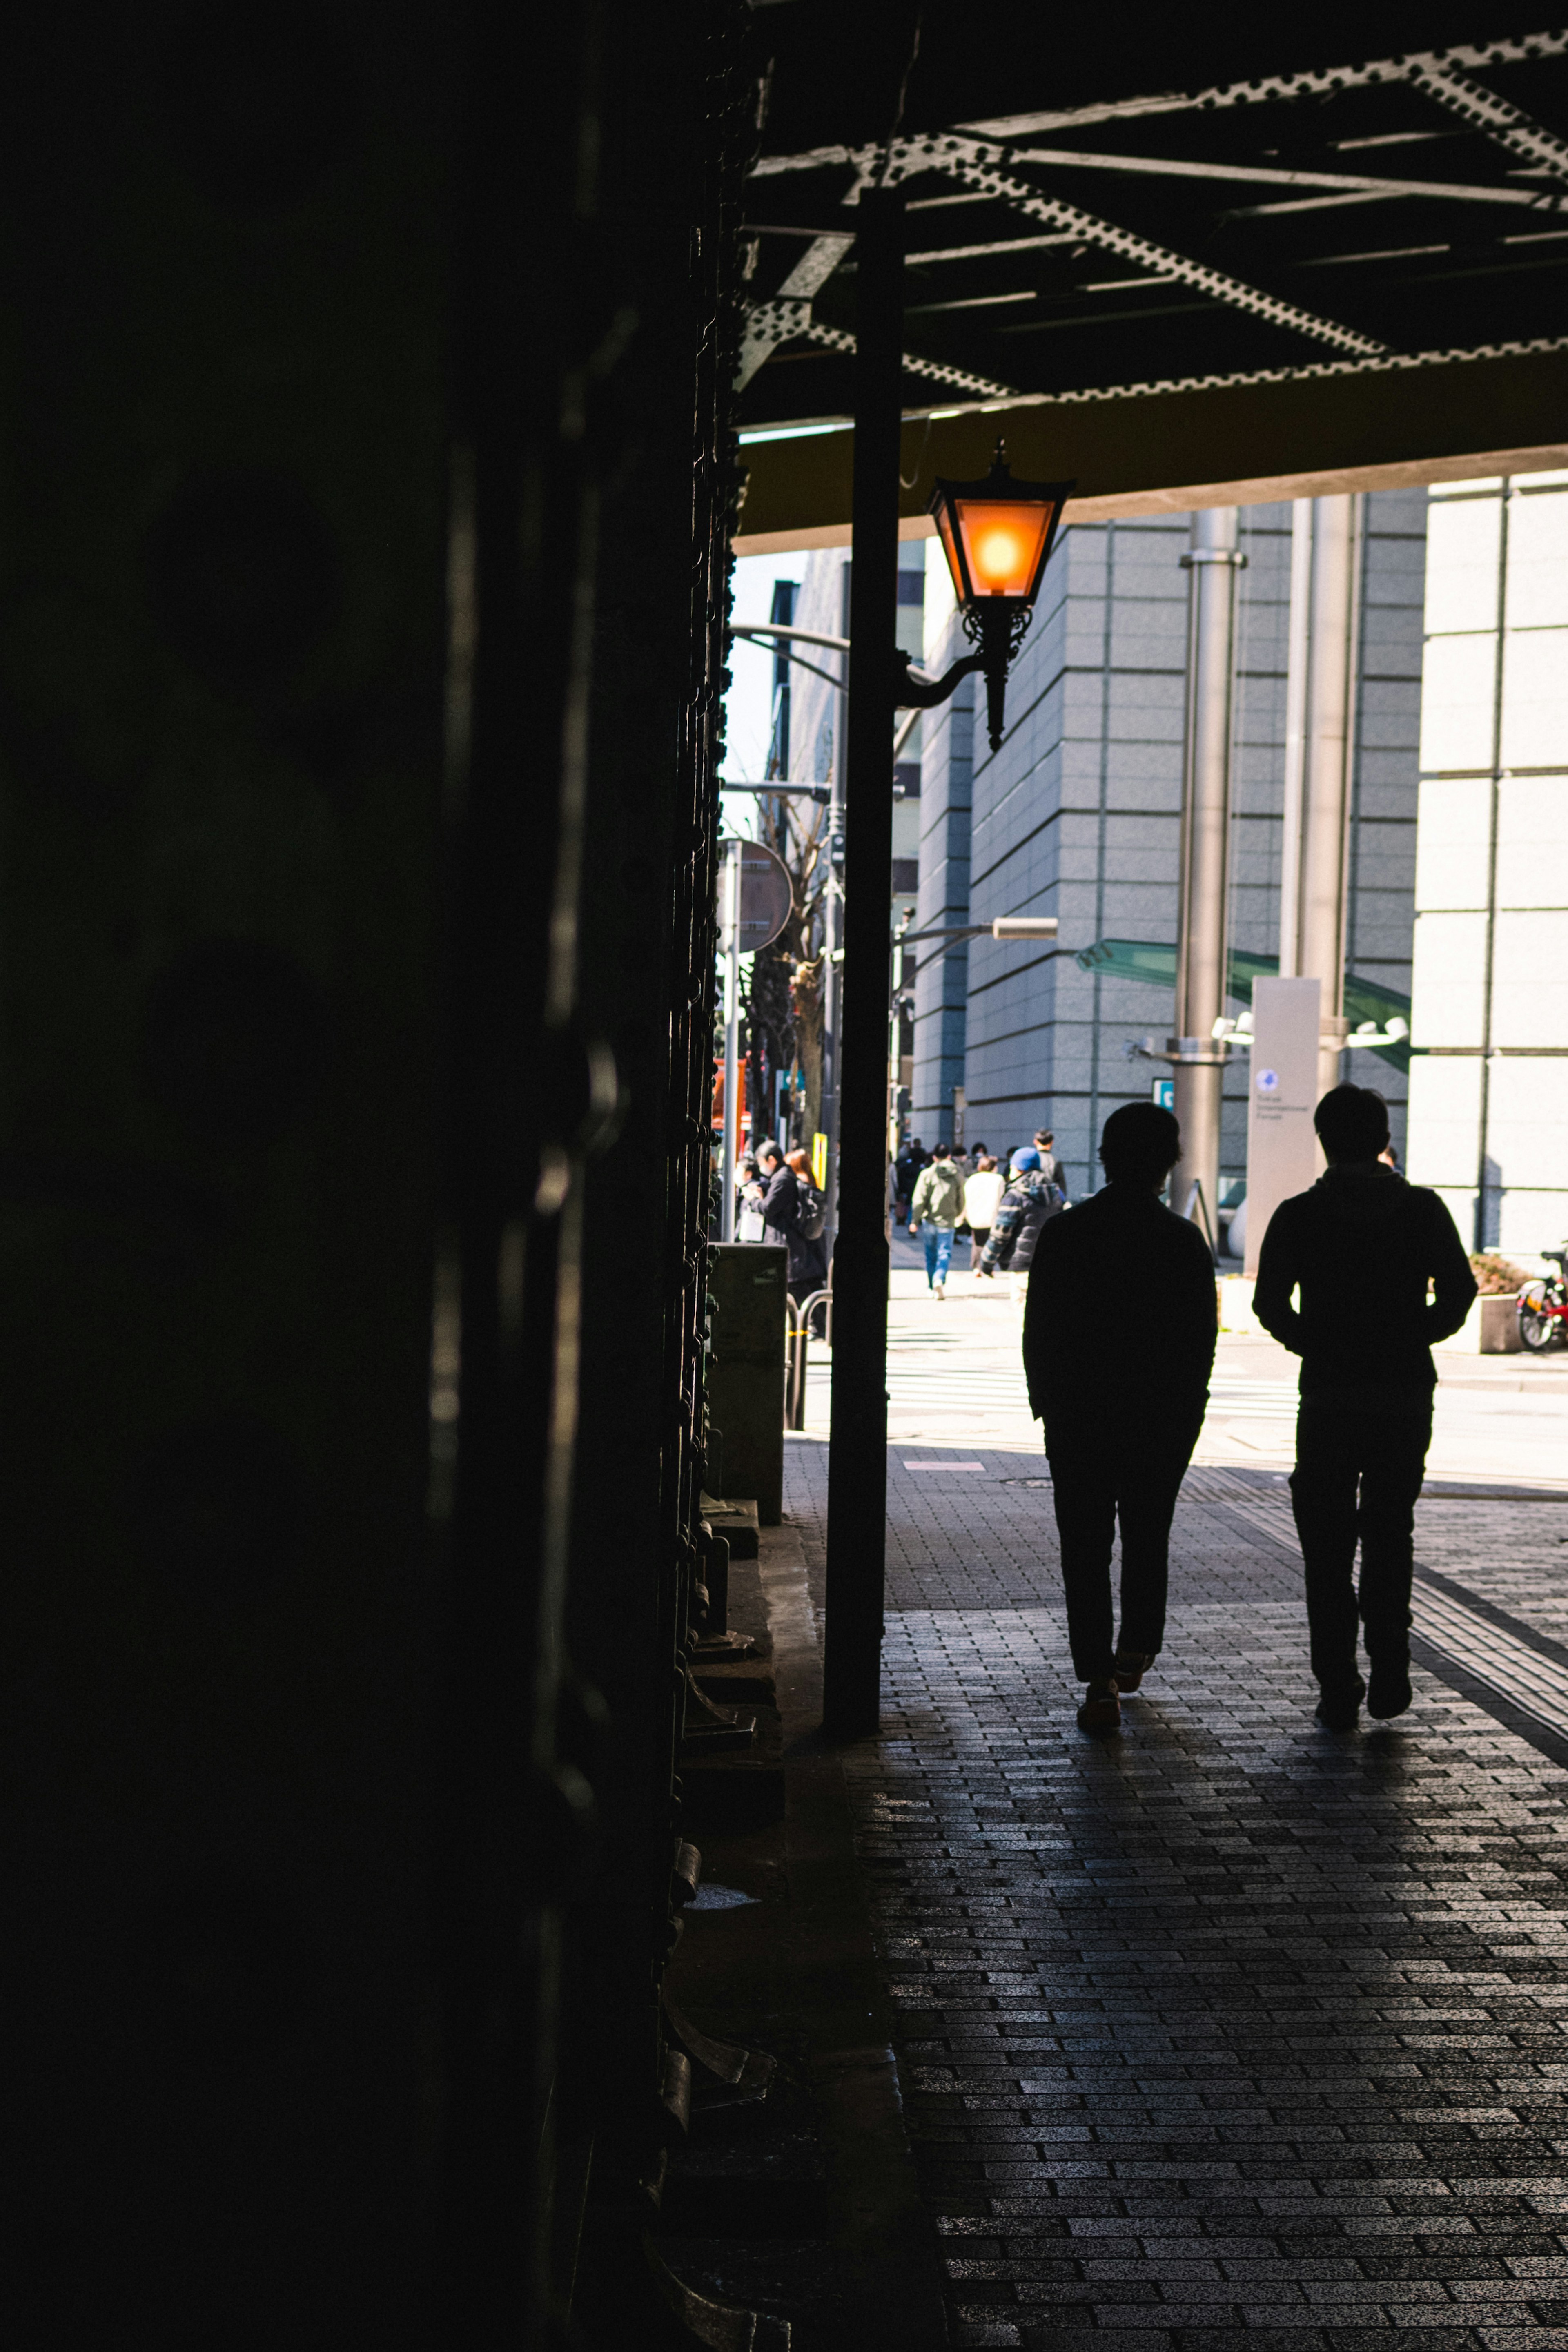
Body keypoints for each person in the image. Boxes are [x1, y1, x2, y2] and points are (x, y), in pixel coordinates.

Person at [1254, 1083, 1476, 1731]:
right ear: (1383, 1138)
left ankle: (1337, 1682)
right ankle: (1391, 1663)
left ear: (1323, 1137)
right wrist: (1414, 1334)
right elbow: (1459, 1292)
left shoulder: (1298, 1214)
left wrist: (1316, 1343)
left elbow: (1269, 1305)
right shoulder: (1423, 1209)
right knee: (1389, 1529)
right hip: (1404, 1392)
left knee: (1325, 1544)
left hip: (1327, 1394)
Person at [1024, 1103, 1217, 1734]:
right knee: (1146, 1534)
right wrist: (1189, 1413)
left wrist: (1047, 1402)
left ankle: (1097, 1677)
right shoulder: (1183, 1241)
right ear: (1169, 1163)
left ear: (1104, 1158)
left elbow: (1041, 1331)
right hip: (1158, 1419)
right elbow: (1199, 1343)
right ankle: (1136, 1648)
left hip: (1079, 1415)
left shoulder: (1067, 1232)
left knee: (1084, 1546)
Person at [978, 1147, 1063, 1313]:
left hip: (1022, 1264)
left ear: (1019, 1169)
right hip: (1049, 1263)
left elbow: (1000, 1234)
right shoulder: (1055, 1193)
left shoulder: (1015, 1195)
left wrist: (987, 1262)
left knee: (1023, 1312)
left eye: (1012, 1167)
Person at [909, 1142, 964, 1298]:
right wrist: (958, 1213)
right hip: (948, 1221)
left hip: (931, 1221)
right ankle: (940, 1278)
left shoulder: (927, 1174)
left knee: (931, 1255)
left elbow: (919, 1199)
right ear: (949, 1156)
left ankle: (932, 1285)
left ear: (934, 1157)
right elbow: (962, 1198)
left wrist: (915, 1220)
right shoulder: (957, 1173)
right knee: (944, 1254)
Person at [784, 1147, 829, 1297]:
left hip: (803, 1254)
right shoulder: (812, 1184)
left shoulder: (799, 1187)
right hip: (814, 1253)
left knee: (808, 1301)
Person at [962, 1154, 1003, 1270]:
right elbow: (1002, 1197)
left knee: (978, 1242)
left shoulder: (973, 1179)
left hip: (975, 1214)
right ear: (993, 1167)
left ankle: (977, 1267)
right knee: (992, 1243)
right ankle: (987, 1268)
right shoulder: (998, 1179)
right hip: (992, 1215)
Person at [1033, 1129, 1069, 1201]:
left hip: (1031, 1199)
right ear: (1052, 1142)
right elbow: (1061, 1186)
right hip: (1050, 1201)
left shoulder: (1030, 1159)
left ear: (1035, 1142)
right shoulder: (1055, 1161)